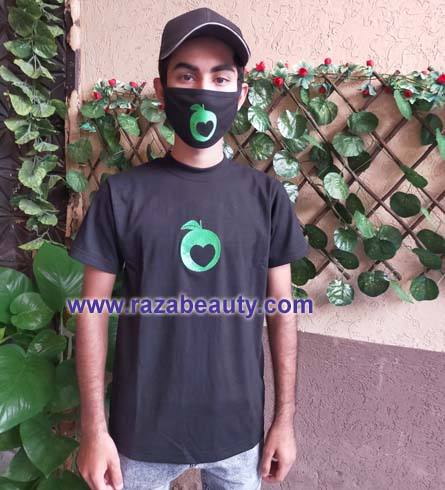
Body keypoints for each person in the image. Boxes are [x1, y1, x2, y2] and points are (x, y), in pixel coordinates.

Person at [69, 7, 309, 490]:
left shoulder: (265, 198)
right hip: (142, 434)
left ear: (241, 94)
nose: (203, 90)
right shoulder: (122, 196)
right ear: (161, 91)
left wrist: (284, 419)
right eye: (186, 76)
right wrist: (94, 430)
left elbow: (282, 311)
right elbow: (91, 312)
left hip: (239, 434)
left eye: (220, 78)